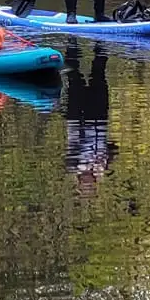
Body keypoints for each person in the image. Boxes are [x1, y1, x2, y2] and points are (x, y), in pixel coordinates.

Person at [63, 45, 116, 195]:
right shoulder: (103, 166)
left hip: (78, 116)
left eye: (86, 185)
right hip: (98, 117)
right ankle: (101, 46)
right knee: (98, 75)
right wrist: (103, 161)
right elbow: (114, 147)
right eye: (90, 185)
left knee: (74, 76)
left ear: (79, 181)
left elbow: (72, 153)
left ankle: (71, 46)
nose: (88, 181)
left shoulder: (73, 165)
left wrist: (90, 163)